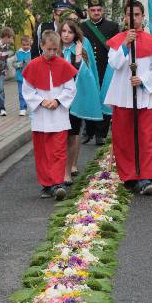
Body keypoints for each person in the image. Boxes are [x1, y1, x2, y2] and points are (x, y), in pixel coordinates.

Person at [104, 0, 152, 195]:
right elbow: (114, 64)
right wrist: (124, 45)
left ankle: (146, 177)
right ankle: (129, 175)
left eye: (137, 15)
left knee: (147, 138)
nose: (133, 19)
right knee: (124, 137)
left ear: (143, 17)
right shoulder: (118, 41)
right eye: (129, 15)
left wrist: (143, 80)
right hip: (123, 95)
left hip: (147, 96)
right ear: (124, 17)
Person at [22, 30, 78, 200]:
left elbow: (70, 88)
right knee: (42, 152)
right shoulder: (32, 65)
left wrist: (58, 100)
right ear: (41, 46)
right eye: (49, 49)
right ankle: (47, 185)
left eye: (55, 49)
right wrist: (41, 101)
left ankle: (57, 183)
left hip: (59, 115)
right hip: (41, 116)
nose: (52, 53)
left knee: (59, 151)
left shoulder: (63, 65)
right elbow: (28, 90)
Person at [59, 18, 102, 185]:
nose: (66, 35)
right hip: (57, 101)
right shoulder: (56, 49)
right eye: (64, 31)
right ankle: (57, 170)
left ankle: (68, 170)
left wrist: (78, 55)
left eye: (70, 32)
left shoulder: (81, 49)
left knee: (72, 136)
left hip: (74, 100)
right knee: (59, 138)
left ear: (75, 33)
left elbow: (85, 74)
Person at [80, 0, 120, 146]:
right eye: (93, 10)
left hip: (106, 67)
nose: (96, 13)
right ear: (88, 11)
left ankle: (101, 133)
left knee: (104, 100)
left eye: (98, 10)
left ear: (102, 10)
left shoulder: (113, 26)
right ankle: (89, 131)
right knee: (90, 98)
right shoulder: (82, 27)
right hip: (89, 68)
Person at [14, 35, 32, 116]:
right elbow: (13, 64)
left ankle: (32, 108)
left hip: (30, 78)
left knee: (31, 93)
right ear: (21, 44)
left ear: (30, 44)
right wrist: (19, 64)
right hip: (20, 77)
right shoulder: (18, 53)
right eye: (24, 45)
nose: (26, 47)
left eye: (27, 45)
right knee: (21, 93)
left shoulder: (32, 52)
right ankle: (22, 108)